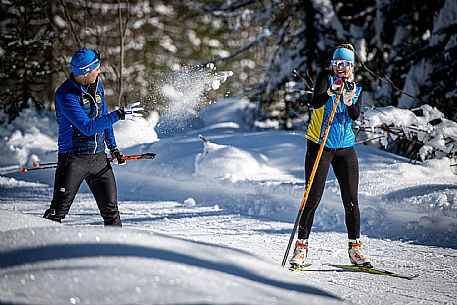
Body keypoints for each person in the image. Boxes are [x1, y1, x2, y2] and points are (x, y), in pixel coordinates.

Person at [289, 43, 371, 267]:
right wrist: (329, 92)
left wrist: (348, 99)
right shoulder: (325, 78)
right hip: (320, 145)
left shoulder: (355, 87)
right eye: (336, 64)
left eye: (344, 64)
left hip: (345, 148)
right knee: (313, 198)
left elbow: (354, 116)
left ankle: (355, 249)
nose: (340, 68)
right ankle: (301, 248)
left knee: (351, 199)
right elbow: (314, 102)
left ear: (351, 66)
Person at [43, 48, 143, 226]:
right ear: (86, 71)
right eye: (96, 68)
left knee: (112, 214)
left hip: (99, 160)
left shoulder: (97, 86)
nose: (99, 71)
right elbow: (87, 127)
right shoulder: (66, 95)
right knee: (57, 212)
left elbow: (103, 118)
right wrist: (119, 115)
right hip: (73, 160)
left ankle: (117, 252)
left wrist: (113, 148)